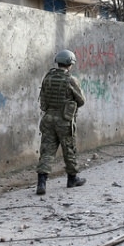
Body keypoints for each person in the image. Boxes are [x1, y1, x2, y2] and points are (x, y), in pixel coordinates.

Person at [34, 49, 86, 195]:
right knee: (68, 149)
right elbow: (81, 101)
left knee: (47, 150)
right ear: (70, 63)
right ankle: (72, 179)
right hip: (64, 120)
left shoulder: (48, 78)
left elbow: (42, 100)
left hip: (48, 118)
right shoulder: (70, 80)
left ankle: (41, 183)